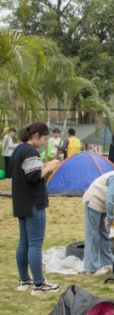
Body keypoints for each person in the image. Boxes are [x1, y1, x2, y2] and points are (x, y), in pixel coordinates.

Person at [11, 122, 60, 295]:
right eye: (44, 138)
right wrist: (49, 167)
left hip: (21, 203)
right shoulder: (30, 151)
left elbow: (25, 173)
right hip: (33, 203)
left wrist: (43, 165)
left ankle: (24, 281)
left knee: (24, 242)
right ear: (37, 135)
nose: (45, 141)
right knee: (35, 244)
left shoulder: (19, 150)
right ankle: (39, 285)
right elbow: (33, 177)